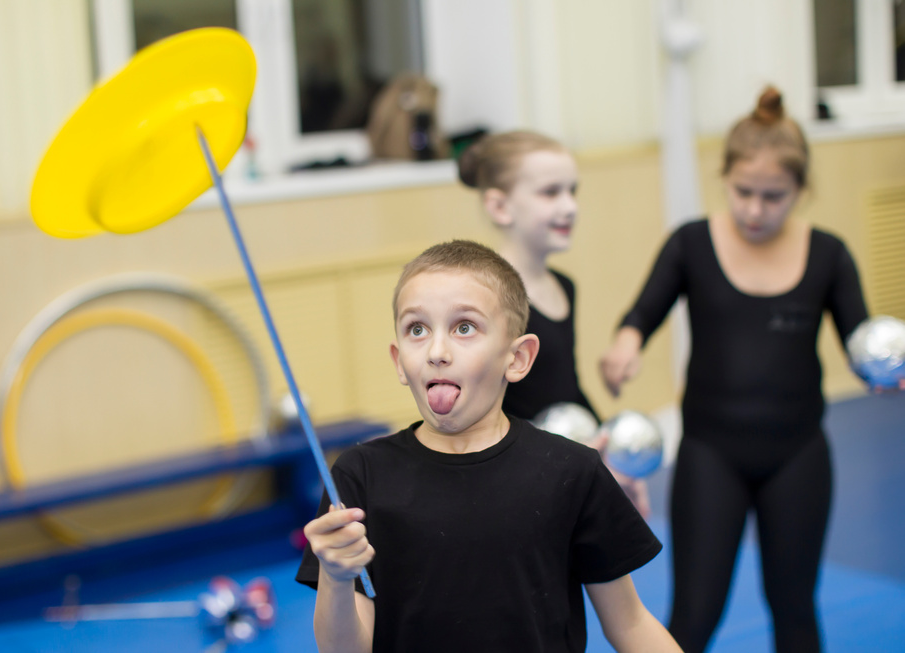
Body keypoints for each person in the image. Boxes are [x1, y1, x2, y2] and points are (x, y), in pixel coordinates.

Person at [296, 240, 681, 653]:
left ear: (517, 358)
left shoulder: (572, 470)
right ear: (398, 361)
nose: (437, 352)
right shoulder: (360, 476)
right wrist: (335, 578)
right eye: (417, 329)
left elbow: (631, 624)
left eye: (464, 327)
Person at [599, 87, 869, 652]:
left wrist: (885, 370)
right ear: (723, 178)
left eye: (774, 196)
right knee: (695, 614)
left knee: (795, 608)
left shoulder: (828, 255)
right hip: (710, 453)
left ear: (801, 189)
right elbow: (643, 311)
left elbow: (861, 343)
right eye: (743, 191)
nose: (754, 209)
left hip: (797, 454)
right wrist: (626, 345)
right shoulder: (692, 244)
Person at [457, 130, 651, 517]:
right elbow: (475, 408)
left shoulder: (564, 286)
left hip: (559, 472)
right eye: (550, 193)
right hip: (511, 482)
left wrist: (612, 460)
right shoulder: (484, 296)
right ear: (500, 206)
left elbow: (567, 389)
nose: (570, 206)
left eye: (572, 191)